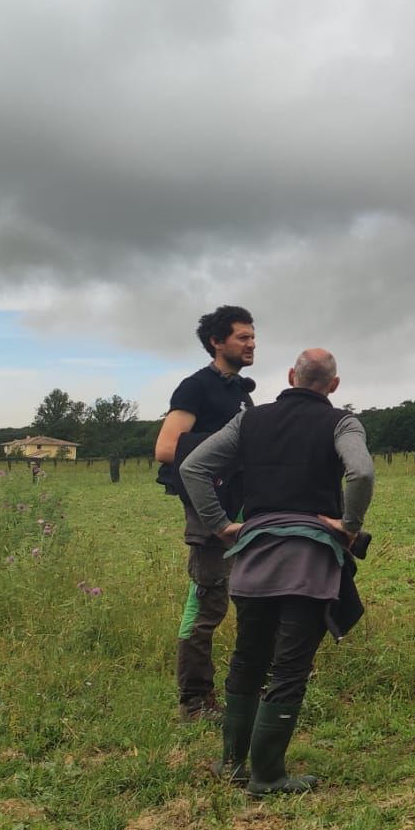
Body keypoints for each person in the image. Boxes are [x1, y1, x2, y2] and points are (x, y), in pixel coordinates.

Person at [180, 347, 375, 798]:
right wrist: (349, 526)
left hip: (253, 558)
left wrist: (221, 526)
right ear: (334, 385)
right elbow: (361, 473)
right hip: (309, 563)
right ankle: (268, 775)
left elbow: (193, 467)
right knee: (289, 667)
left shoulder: (250, 420)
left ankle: (232, 764)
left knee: (248, 657)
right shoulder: (342, 422)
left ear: (290, 376)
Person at [154, 305, 257, 723]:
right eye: (242, 337)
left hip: (241, 512)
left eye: (253, 337)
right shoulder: (195, 388)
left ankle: (239, 688)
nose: (251, 344)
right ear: (217, 342)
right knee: (205, 606)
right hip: (208, 513)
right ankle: (193, 702)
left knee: (243, 600)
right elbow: (165, 449)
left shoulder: (240, 391)